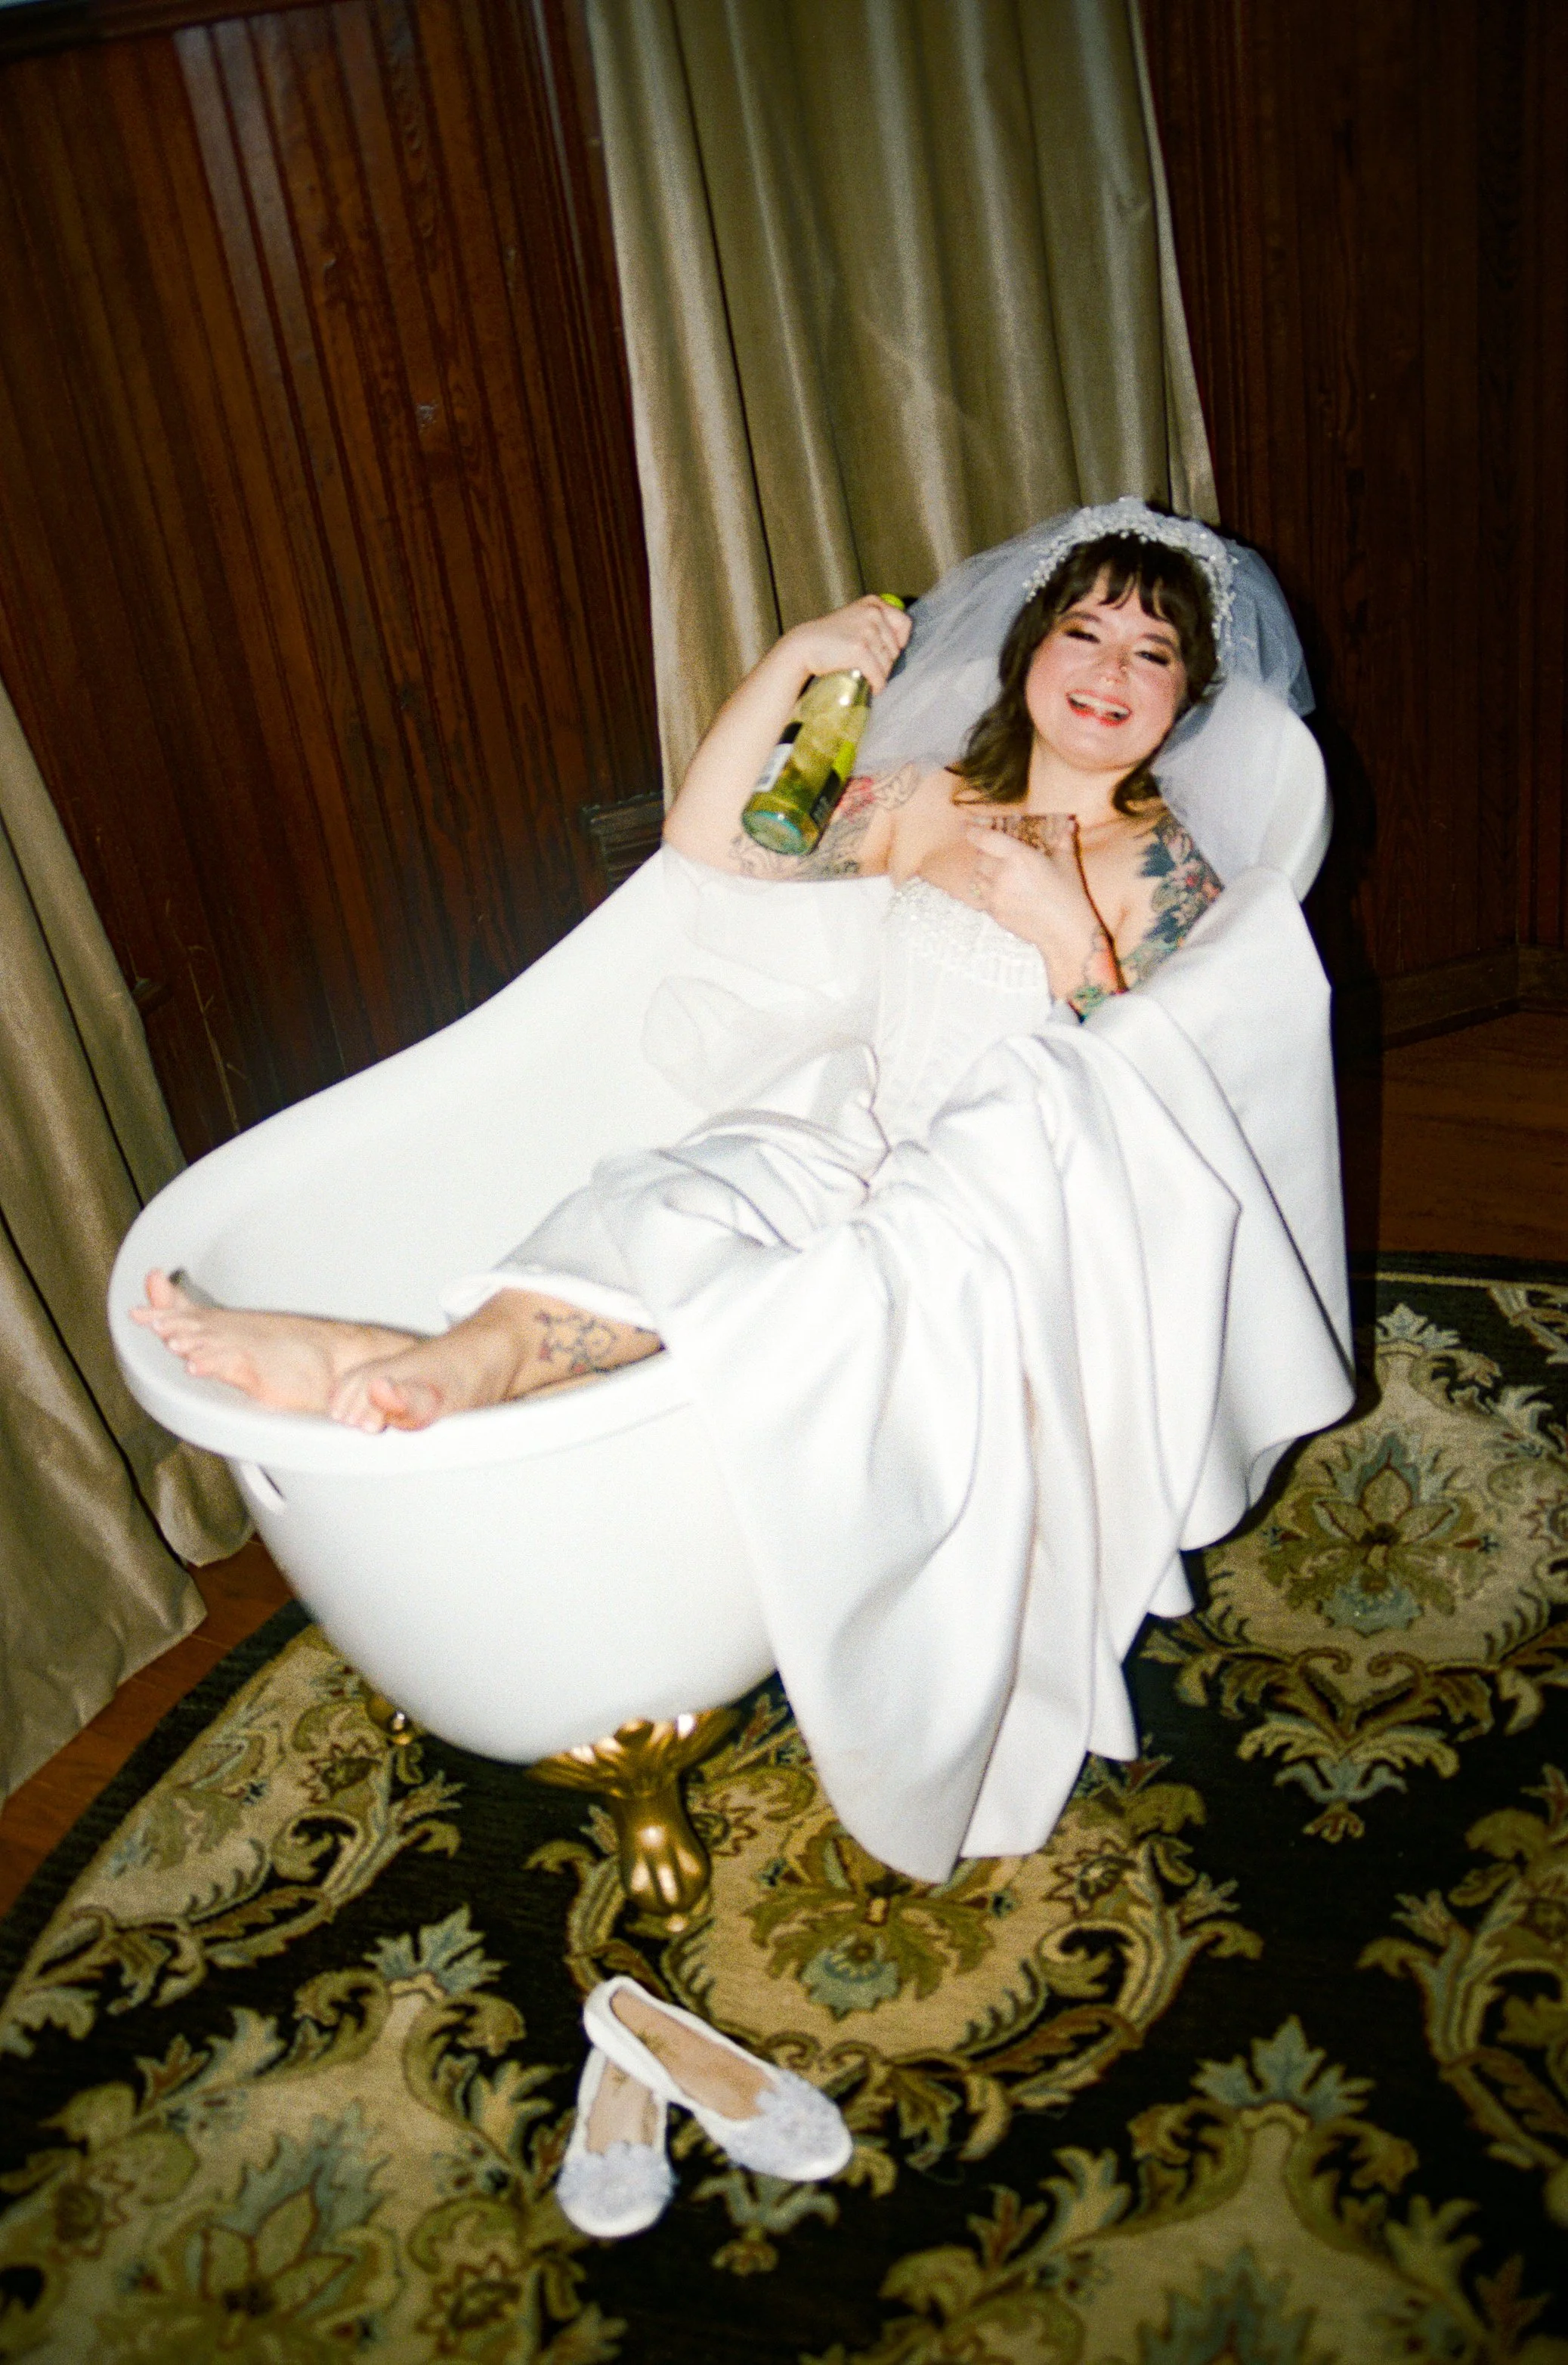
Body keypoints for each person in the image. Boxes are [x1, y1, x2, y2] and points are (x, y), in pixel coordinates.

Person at [134, 508, 1231, 1430]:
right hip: (861, 1133)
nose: (1109, 671)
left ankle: (412, 1360)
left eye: (1152, 652)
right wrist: (793, 660)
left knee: (797, 1281)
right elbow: (707, 844)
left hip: (999, 1200)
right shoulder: (934, 803)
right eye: (1084, 632)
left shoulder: (1167, 872)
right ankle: (448, 1358)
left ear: (1184, 694)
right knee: (679, 1195)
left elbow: (1168, 1118)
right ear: (1030, 649)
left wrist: (1073, 942)